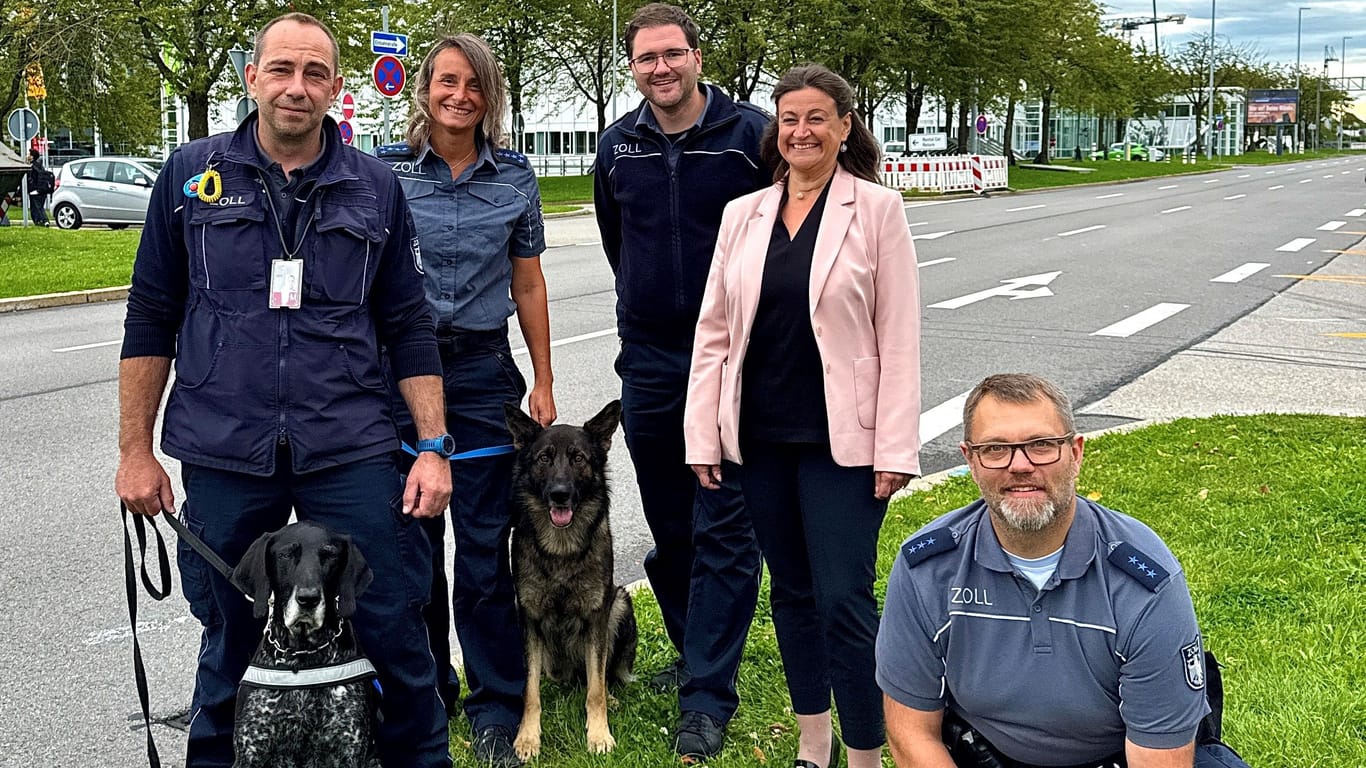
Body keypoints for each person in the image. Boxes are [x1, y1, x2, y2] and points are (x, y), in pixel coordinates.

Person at [114, 13, 453, 768]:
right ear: (252, 78)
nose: (297, 88)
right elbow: (151, 316)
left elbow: (408, 323)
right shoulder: (189, 177)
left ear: (336, 87)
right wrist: (136, 451)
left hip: (351, 445)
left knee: (394, 630)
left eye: (315, 74)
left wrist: (431, 448)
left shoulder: (374, 188)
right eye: (282, 70)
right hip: (225, 447)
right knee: (230, 639)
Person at [684, 63, 922, 768]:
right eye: (789, 119)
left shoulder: (876, 209)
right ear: (774, 130)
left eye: (817, 117)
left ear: (845, 126)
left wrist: (896, 449)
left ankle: (866, 754)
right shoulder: (743, 215)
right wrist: (704, 434)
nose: (801, 131)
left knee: (844, 597)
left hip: (842, 444)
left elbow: (899, 334)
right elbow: (714, 334)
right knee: (788, 592)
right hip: (758, 438)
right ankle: (813, 747)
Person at [877, 373, 1250, 768]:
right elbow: (911, 734)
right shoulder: (927, 568)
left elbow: (1158, 758)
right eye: (996, 449)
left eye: (1041, 445)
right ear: (970, 460)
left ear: (1076, 452)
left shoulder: (1143, 581)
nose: (1019, 466)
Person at [591, 2, 771, 759]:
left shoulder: (750, 137)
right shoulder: (618, 147)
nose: (659, 69)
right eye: (645, 59)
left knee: (726, 527)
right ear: (632, 67)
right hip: (654, 360)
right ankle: (698, 653)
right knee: (672, 529)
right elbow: (614, 239)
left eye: (672, 54)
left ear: (697, 56)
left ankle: (707, 695)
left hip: (738, 356)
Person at [375, 32, 555, 767]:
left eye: (474, 85)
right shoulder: (381, 173)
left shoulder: (515, 179)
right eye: (447, 81)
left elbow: (529, 283)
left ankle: (493, 706)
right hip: (395, 376)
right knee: (411, 550)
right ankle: (426, 692)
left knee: (484, 554)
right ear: (425, 89)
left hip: (482, 376)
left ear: (490, 96)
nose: (459, 95)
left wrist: (542, 379)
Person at [26, 149, 51, 226]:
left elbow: (29, 179)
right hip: (43, 190)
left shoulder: (31, 166)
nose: (27, 156)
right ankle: (39, 222)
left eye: (28, 154)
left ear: (32, 157)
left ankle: (44, 221)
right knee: (40, 206)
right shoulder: (40, 165)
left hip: (34, 190)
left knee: (36, 207)